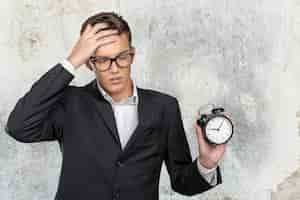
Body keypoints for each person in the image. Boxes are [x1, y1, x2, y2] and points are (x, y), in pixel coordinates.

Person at [5, 12, 226, 200]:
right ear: (90, 64)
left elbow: (182, 183)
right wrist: (72, 61)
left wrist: (207, 163)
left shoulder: (164, 106)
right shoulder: (70, 102)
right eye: (102, 60)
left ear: (132, 56)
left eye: (121, 57)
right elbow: (18, 126)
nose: (114, 68)